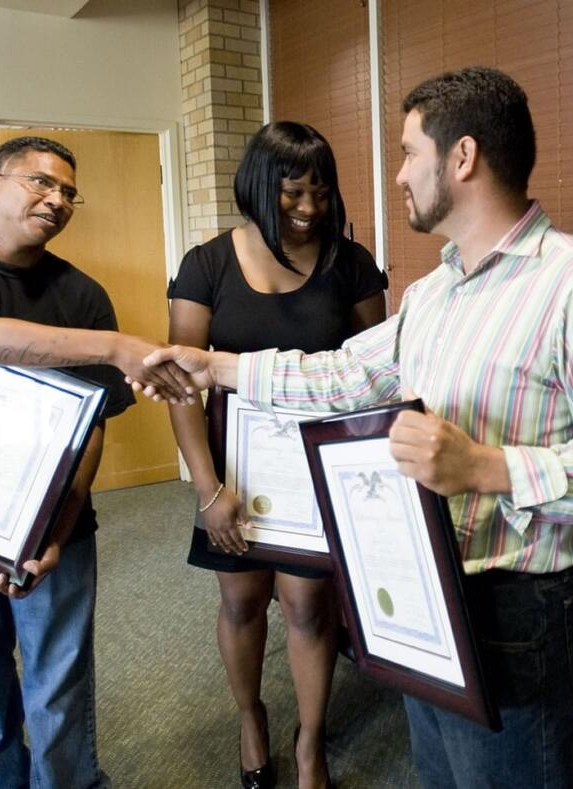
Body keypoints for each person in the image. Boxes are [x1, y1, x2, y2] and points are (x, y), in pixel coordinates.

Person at [144, 67, 573, 788]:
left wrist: (486, 468)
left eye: (407, 153)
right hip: (423, 591)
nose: (397, 175)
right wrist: (212, 368)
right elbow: (340, 374)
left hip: (516, 607)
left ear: (461, 158)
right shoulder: (435, 293)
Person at [0, 135, 189, 789]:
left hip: (55, 529)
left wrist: (54, 527)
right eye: (40, 182)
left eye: (68, 192)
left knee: (59, 689)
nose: (57, 199)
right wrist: (114, 345)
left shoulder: (82, 295)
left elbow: (92, 426)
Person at [167, 122, 386, 789]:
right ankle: (251, 718)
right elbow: (182, 383)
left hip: (314, 473)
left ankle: (310, 744)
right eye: (294, 192)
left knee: (308, 607)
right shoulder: (207, 264)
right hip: (232, 471)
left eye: (321, 193)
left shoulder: (348, 263)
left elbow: (380, 372)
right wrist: (208, 491)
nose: (310, 208)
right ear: (260, 187)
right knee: (241, 602)